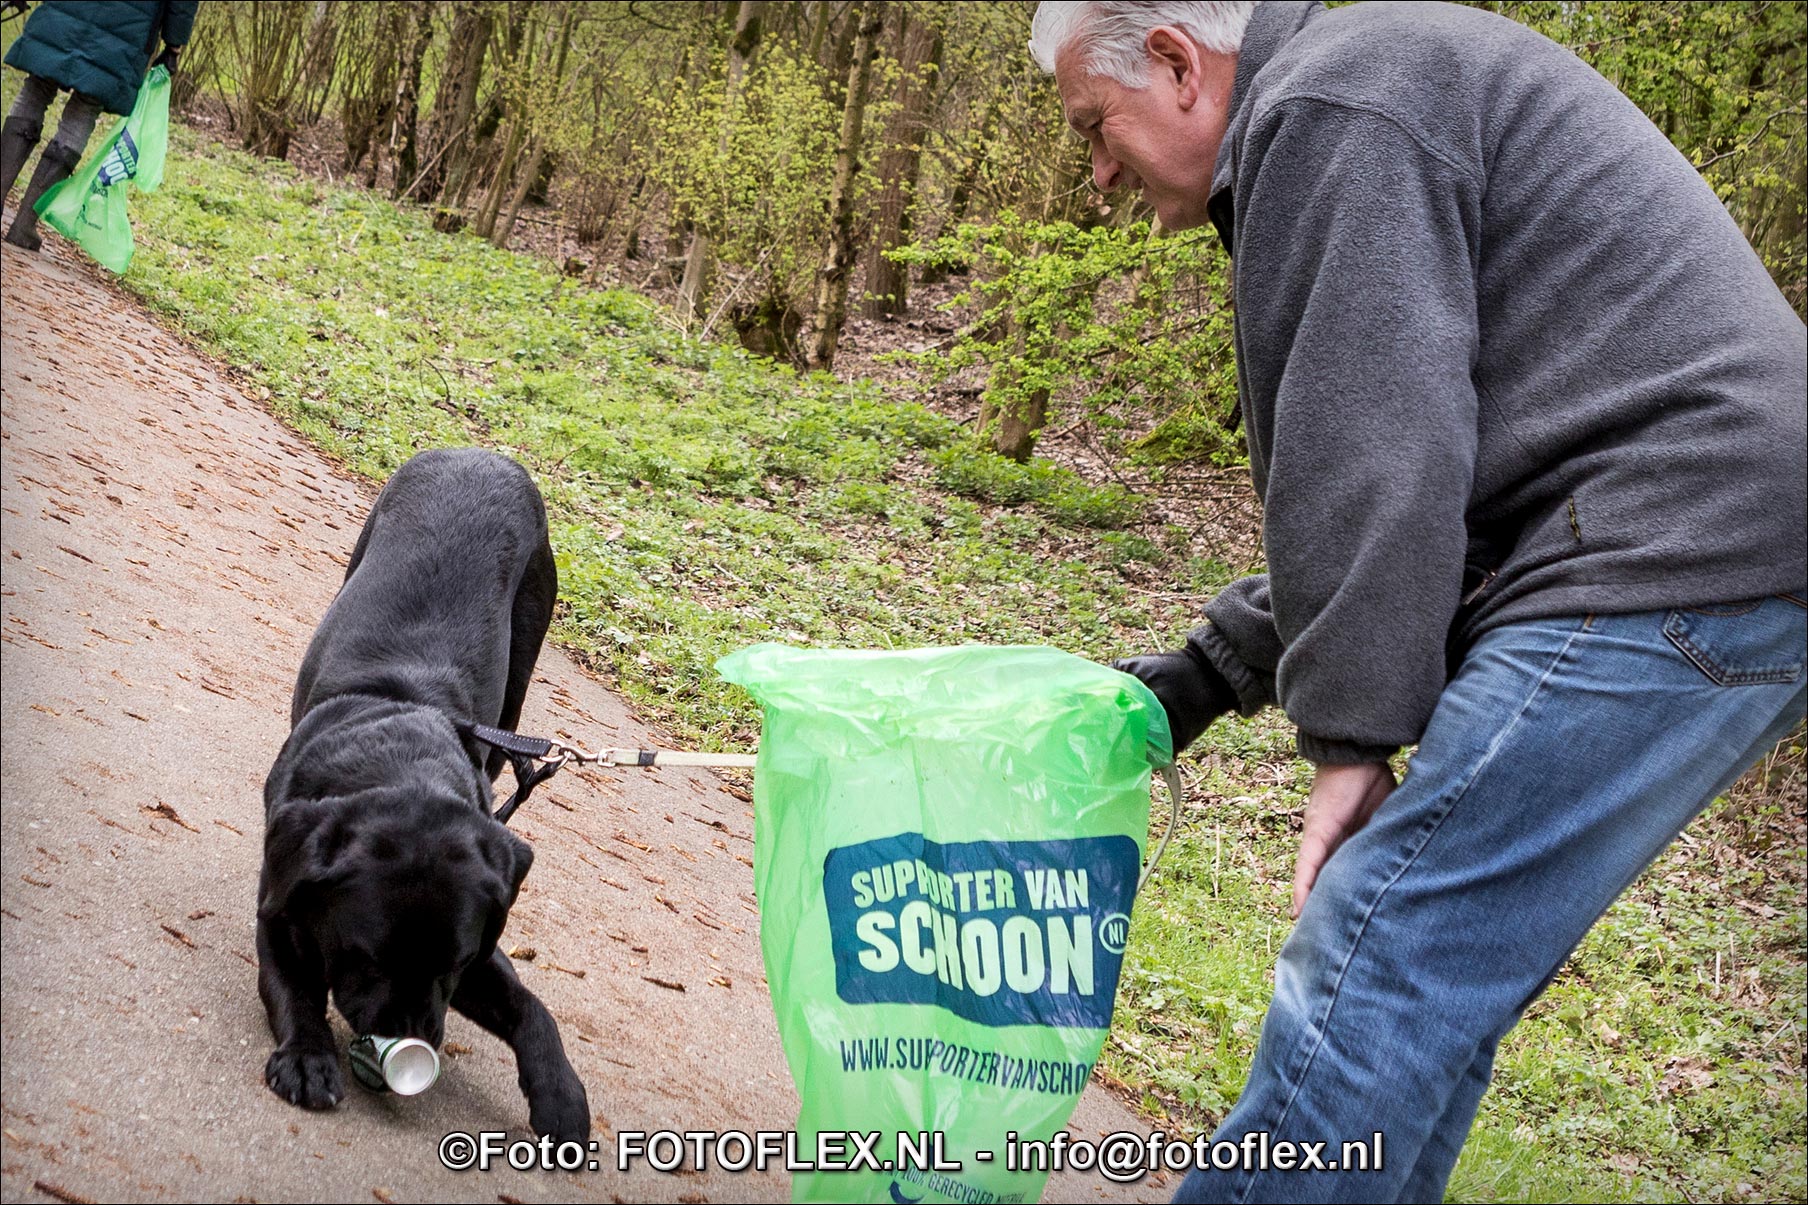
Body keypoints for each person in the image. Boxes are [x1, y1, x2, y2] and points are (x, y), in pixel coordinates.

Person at [1028, 1, 1808, 1201]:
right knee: (1427, 980)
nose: (1093, 170)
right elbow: (1423, 483)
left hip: (1668, 543)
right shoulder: (1359, 90)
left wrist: (1346, 739)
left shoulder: (1329, 102)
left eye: (1094, 124)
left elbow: (1373, 460)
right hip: (1718, 547)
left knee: (1377, 955)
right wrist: (1207, 671)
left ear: (1177, 64)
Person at [0, 0, 197, 250]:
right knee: (84, 110)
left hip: (66, 13)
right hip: (126, 31)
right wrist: (174, 44)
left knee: (35, 90)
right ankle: (25, 225)